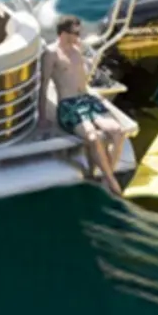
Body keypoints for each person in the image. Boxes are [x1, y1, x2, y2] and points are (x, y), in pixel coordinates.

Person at [40, 15, 129, 195]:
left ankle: (104, 174)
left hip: (88, 100)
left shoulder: (77, 49)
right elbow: (43, 87)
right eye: (75, 32)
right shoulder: (51, 53)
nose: (78, 35)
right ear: (63, 33)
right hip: (69, 105)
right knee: (93, 137)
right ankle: (111, 182)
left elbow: (83, 79)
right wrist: (42, 116)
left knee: (118, 131)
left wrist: (97, 96)